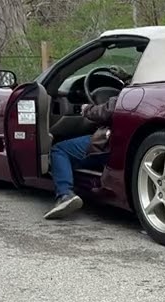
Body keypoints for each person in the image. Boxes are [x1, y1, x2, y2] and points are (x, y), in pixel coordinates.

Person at [45, 71, 132, 219]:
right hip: (129, 145)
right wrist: (127, 78)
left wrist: (86, 109)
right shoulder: (160, 84)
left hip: (110, 142)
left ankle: (65, 194)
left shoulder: (134, 90)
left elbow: (107, 112)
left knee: (59, 149)